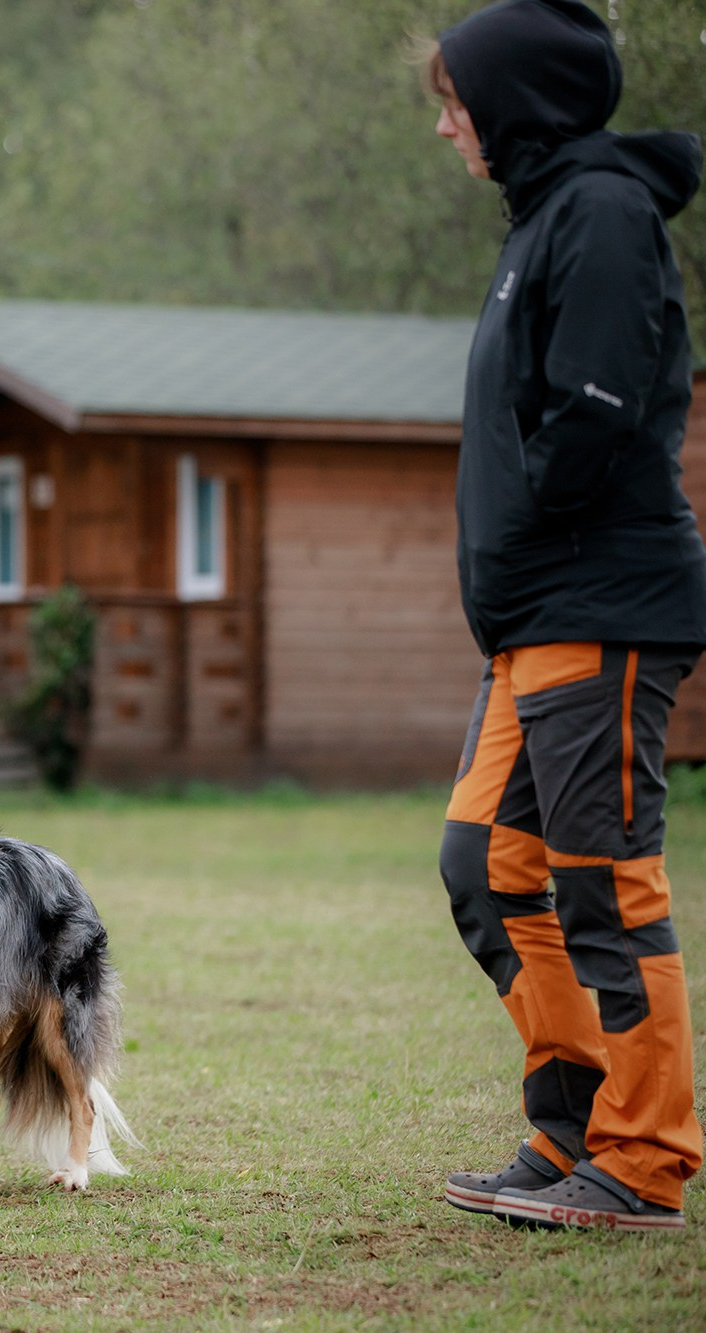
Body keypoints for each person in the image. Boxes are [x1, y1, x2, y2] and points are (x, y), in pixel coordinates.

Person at [421, 0, 706, 1231]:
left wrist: (524, 526)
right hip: (534, 618)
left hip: (596, 601)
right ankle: (574, 1121)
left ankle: (642, 1161)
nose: (445, 129)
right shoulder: (539, 219)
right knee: (484, 866)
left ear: (511, 106)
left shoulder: (600, 213)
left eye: (453, 105)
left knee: (600, 878)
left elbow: (589, 416)